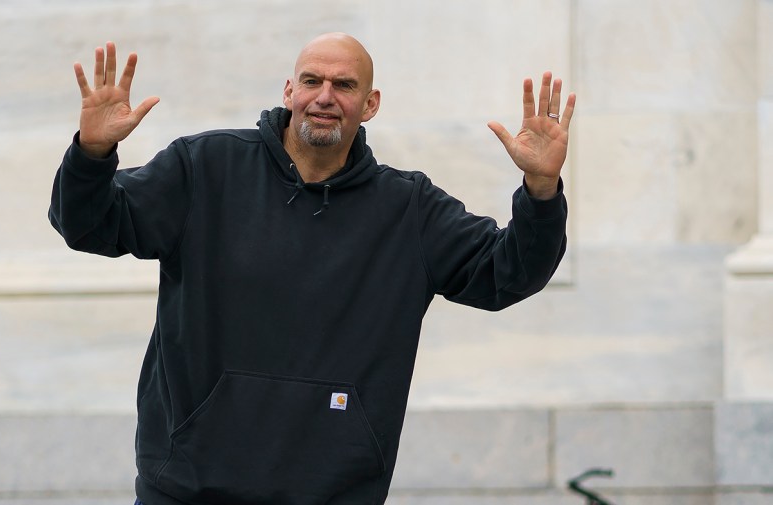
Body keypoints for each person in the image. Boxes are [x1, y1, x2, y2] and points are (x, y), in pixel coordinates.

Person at [49, 33, 574, 505]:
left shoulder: (408, 209)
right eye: (311, 81)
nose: (325, 96)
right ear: (288, 91)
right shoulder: (203, 168)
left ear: (370, 105)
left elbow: (508, 273)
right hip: (187, 489)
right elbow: (91, 226)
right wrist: (93, 154)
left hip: (333, 492)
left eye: (344, 85)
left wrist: (542, 191)